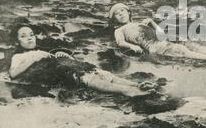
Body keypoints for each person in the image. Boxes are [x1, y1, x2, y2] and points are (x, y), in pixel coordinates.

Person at [9, 24, 155, 97]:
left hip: (63, 65)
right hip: (55, 72)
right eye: (23, 36)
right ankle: (128, 91)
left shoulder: (42, 49)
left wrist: (62, 54)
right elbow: (13, 73)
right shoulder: (19, 56)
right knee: (89, 79)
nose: (29, 38)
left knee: (99, 72)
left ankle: (137, 84)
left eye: (31, 34)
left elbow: (55, 58)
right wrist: (32, 59)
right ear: (17, 41)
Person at [109, 3, 206, 61]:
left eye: (122, 11)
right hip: (153, 45)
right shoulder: (119, 29)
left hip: (161, 38)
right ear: (114, 19)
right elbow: (120, 42)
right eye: (116, 14)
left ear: (128, 12)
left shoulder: (139, 23)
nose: (120, 14)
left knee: (187, 43)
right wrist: (132, 46)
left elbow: (161, 33)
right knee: (179, 49)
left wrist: (152, 23)